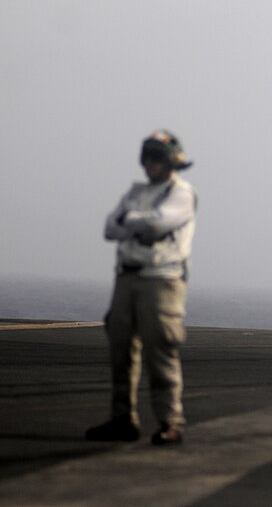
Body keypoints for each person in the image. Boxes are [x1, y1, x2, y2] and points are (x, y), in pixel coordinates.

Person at [86, 129, 197, 446]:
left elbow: (156, 224)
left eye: (157, 157)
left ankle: (170, 421)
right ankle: (122, 419)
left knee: (160, 351)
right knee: (121, 351)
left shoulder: (181, 193)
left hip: (161, 280)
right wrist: (138, 223)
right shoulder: (136, 192)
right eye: (147, 157)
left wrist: (130, 222)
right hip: (127, 277)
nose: (150, 163)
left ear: (171, 161)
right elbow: (109, 227)